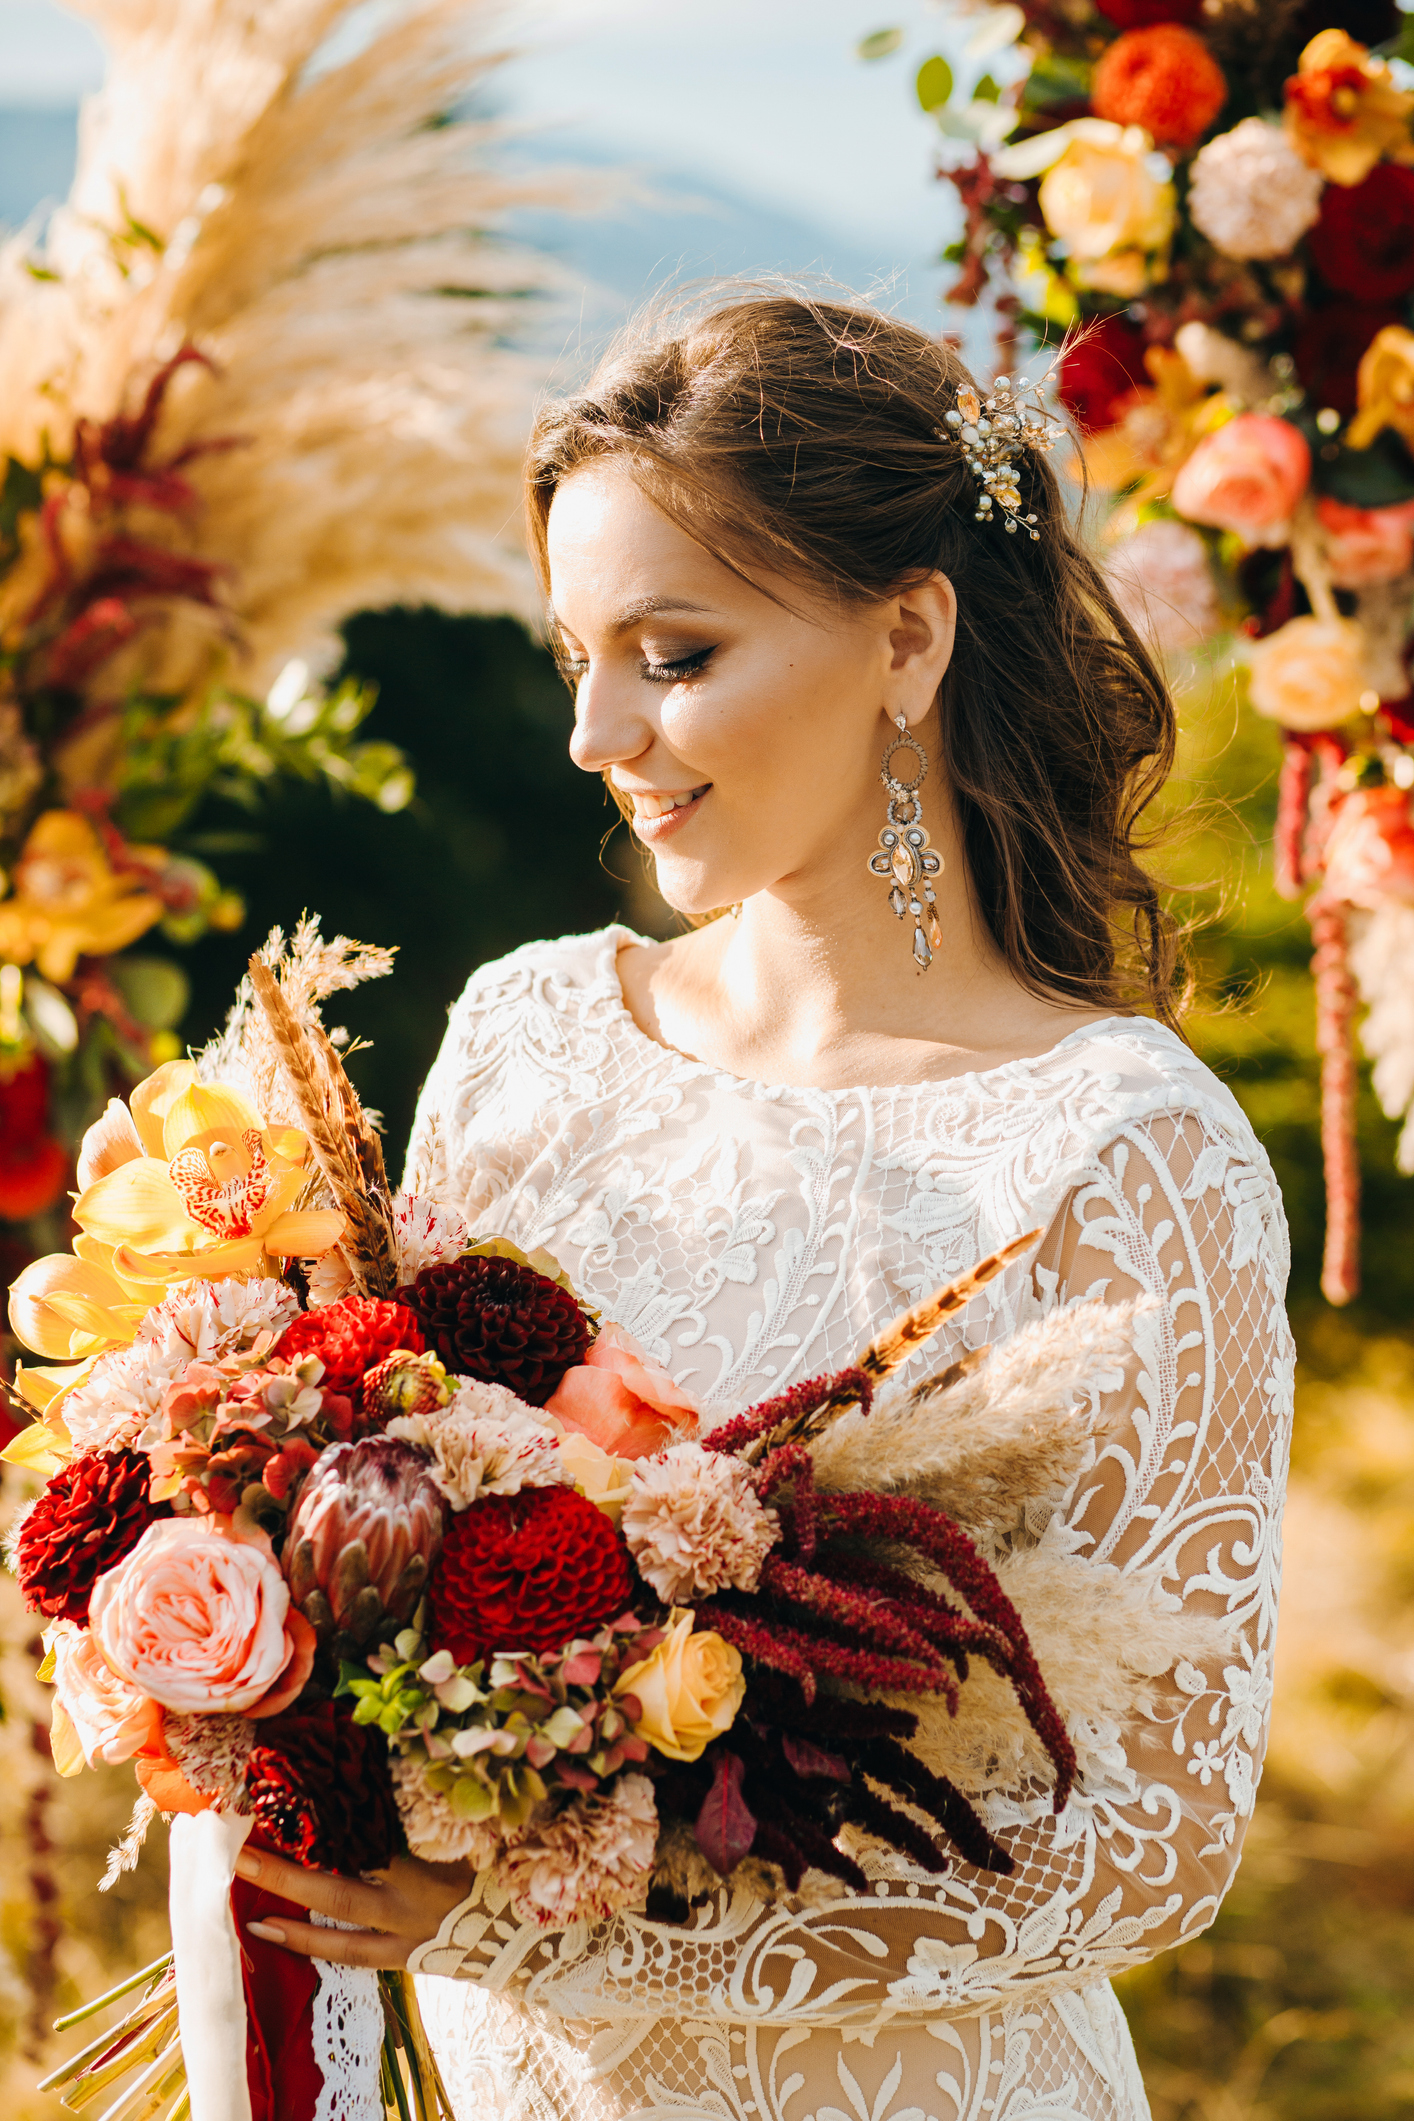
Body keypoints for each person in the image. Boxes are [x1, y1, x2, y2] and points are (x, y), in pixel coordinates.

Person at [236, 294, 1294, 2121]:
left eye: (669, 651)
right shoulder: (527, 1035)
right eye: (576, 653)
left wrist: (535, 1923)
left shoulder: (1126, 1151)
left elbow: (1154, 1840)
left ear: (907, 635)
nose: (592, 732)